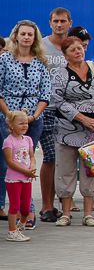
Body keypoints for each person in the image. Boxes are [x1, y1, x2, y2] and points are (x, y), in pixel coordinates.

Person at [52, 36, 94, 227]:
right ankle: (65, 214)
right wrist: (82, 118)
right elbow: (58, 101)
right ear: (65, 54)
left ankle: (89, 214)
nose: (78, 52)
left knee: (92, 172)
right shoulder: (60, 73)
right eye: (73, 50)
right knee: (65, 171)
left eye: (80, 48)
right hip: (67, 130)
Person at [0, 20, 50, 228]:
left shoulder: (40, 63)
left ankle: (27, 211)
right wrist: (10, 115)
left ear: (35, 38)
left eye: (30, 34)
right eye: (23, 34)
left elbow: (45, 94)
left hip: (32, 120)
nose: (27, 37)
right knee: (7, 162)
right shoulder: (4, 60)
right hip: (8, 117)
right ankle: (9, 207)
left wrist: (33, 117)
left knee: (27, 161)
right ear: (16, 36)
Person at [38, 7, 72, 223]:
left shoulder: (73, 46)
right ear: (50, 23)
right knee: (50, 156)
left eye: (63, 21)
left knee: (64, 160)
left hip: (70, 111)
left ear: (70, 22)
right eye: (55, 21)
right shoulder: (41, 45)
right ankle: (46, 206)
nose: (59, 24)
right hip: (47, 109)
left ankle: (63, 204)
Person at [3, 110, 37, 241]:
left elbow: (32, 156)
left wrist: (32, 167)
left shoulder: (28, 140)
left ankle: (20, 227)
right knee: (14, 205)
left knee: (26, 208)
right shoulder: (8, 141)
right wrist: (26, 172)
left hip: (26, 179)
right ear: (11, 125)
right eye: (21, 123)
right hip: (14, 179)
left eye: (26, 123)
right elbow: (10, 162)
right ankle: (12, 232)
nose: (24, 126)